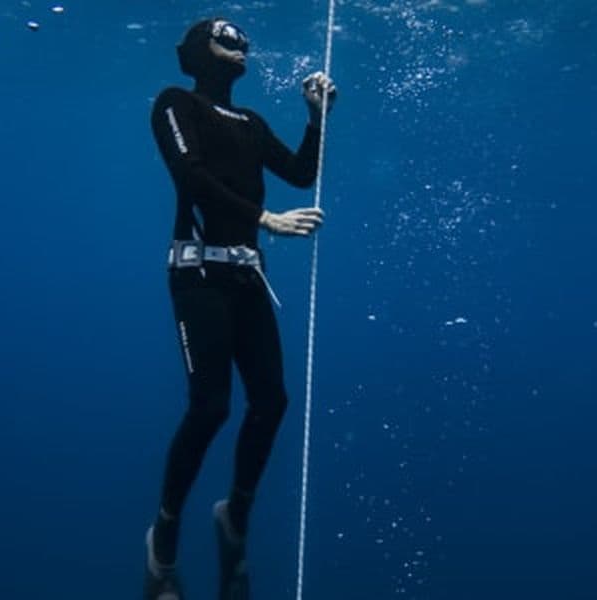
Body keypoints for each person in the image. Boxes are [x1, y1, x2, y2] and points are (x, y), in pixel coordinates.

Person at [145, 16, 337, 600]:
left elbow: (302, 174)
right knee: (210, 408)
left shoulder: (251, 123)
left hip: (246, 276)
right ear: (199, 50)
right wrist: (265, 219)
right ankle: (166, 536)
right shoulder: (175, 104)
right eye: (227, 38)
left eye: (243, 40)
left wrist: (315, 118)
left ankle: (235, 516)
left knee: (272, 399)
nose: (241, 45)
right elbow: (191, 177)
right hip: (198, 272)